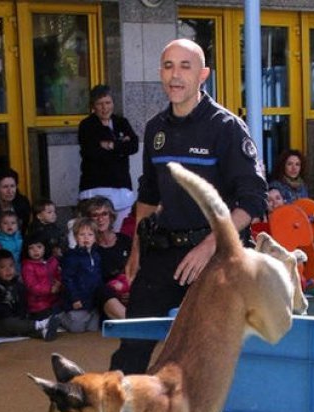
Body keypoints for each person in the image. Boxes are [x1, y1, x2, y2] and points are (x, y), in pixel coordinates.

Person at [110, 38, 267, 375]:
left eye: (185, 66)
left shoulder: (225, 128)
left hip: (216, 257)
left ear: (203, 74)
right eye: (168, 67)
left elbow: (253, 199)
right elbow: (149, 195)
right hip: (163, 252)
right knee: (131, 347)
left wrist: (208, 246)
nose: (175, 75)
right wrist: (137, 248)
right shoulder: (155, 128)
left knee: (205, 357)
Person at [78, 84, 140, 224]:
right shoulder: (87, 125)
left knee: (120, 234)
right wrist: (121, 146)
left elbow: (134, 146)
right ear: (93, 106)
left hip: (121, 187)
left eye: (108, 103)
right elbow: (92, 152)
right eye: (100, 104)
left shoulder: (121, 122)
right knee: (94, 234)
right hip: (94, 187)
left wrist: (110, 145)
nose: (105, 108)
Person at [0, 250, 60, 341]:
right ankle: (41, 325)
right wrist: (12, 316)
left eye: (11, 266)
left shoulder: (18, 285)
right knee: (9, 323)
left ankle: (42, 332)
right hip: (0, 322)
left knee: (24, 323)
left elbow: (23, 304)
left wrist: (20, 316)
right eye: (2, 267)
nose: (8, 270)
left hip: (18, 319)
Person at [85, 197, 132, 321]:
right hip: (106, 297)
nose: (100, 219)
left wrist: (130, 290)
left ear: (111, 216)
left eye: (104, 214)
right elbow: (92, 282)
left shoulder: (125, 240)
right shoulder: (89, 248)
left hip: (130, 289)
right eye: (95, 215)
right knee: (101, 289)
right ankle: (130, 322)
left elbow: (137, 268)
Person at [61, 218, 103, 333]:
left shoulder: (96, 255)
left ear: (95, 237)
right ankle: (59, 317)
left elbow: (99, 276)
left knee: (93, 328)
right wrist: (74, 298)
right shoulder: (72, 256)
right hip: (78, 299)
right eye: (82, 234)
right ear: (75, 237)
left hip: (92, 300)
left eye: (90, 234)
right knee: (77, 329)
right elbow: (67, 278)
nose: (86, 238)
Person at [0, 168, 32, 233]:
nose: (10, 191)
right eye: (5, 187)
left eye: (12, 186)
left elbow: (23, 230)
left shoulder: (23, 203)